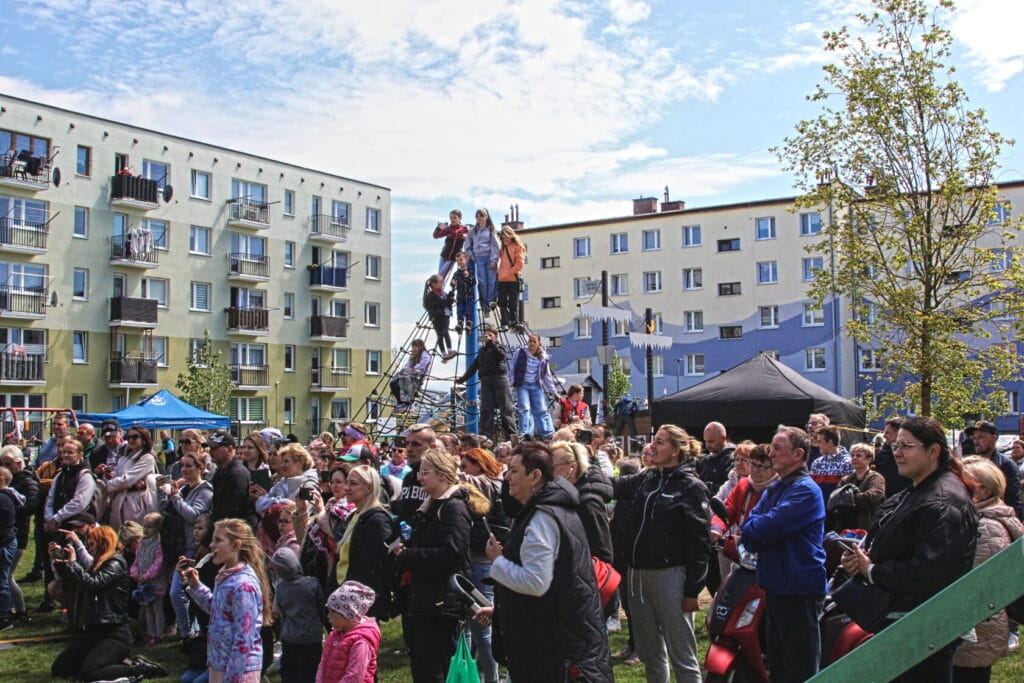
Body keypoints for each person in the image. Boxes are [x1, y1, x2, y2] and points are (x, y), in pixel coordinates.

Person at [840, 416, 978, 682]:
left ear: (933, 451)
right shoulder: (917, 491)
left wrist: (872, 570)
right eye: (896, 446)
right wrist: (860, 561)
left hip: (923, 627)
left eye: (907, 446)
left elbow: (928, 573)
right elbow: (893, 543)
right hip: (904, 622)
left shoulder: (943, 501)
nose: (898, 453)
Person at [480, 442, 613, 681]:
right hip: (558, 641)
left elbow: (536, 583)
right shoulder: (553, 508)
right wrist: (500, 611)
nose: (507, 476)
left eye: (513, 470)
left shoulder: (543, 517)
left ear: (535, 476)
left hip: (551, 649)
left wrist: (498, 562)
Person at [612, 425, 710, 683]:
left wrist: (692, 590)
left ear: (676, 451)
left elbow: (700, 543)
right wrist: (578, 466)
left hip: (669, 576)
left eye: (660, 442)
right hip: (636, 576)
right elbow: (612, 485)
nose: (652, 446)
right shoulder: (647, 478)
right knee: (650, 654)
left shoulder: (690, 486)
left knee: (682, 653)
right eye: (653, 441)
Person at [392, 448, 488, 683]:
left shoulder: (452, 507)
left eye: (425, 472)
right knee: (424, 664)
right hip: (426, 596)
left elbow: (451, 553)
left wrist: (408, 556)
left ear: (443, 475)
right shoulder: (431, 506)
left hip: (441, 601)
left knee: (436, 666)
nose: (419, 477)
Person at [742, 426, 827, 683]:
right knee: (777, 666)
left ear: (798, 454)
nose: (772, 453)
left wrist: (759, 526)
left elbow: (765, 527)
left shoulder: (805, 491)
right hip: (775, 587)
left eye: (778, 448)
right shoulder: (775, 489)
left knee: (799, 668)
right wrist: (758, 527)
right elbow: (750, 530)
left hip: (798, 590)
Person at [51, 525, 166, 681]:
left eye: (92, 544)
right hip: (94, 632)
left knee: (90, 673)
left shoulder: (115, 564)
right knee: (60, 667)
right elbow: (75, 581)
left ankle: (138, 669)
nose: (89, 548)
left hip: (113, 633)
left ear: (103, 543)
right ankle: (116, 662)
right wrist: (61, 561)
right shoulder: (96, 565)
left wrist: (73, 564)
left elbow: (93, 584)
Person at [953, 457, 1023, 682]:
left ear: (983, 491)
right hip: (976, 628)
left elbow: (973, 583)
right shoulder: (982, 518)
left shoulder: (987, 528)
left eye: (962, 485)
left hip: (976, 631)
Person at [181, 518, 273, 683]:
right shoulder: (225, 575)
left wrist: (233, 677)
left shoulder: (243, 585)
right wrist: (195, 586)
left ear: (235, 545)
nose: (211, 545)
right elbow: (217, 609)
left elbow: (244, 637)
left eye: (218, 540)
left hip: (239, 671)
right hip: (220, 665)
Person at [336, 465, 397, 619]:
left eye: (354, 484)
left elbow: (371, 565)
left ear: (369, 488)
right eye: (347, 483)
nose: (347, 488)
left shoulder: (377, 520)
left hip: (361, 602)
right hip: (344, 593)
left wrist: (350, 596)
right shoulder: (354, 516)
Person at [709, 443, 776, 582]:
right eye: (753, 464)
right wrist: (716, 529)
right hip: (742, 551)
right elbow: (728, 509)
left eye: (761, 466)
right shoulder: (743, 485)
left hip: (769, 554)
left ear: (774, 468)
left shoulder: (779, 489)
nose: (756, 470)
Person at [550, 440, 614, 564]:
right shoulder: (561, 498)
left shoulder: (588, 503)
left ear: (572, 468)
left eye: (553, 467)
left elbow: (603, 554)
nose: (548, 472)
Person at [456, 325, 517, 443]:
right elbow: (474, 366)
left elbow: (501, 356)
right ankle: (486, 435)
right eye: (486, 335)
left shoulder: (499, 347)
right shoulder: (482, 351)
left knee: (505, 408)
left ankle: (511, 435)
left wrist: (491, 343)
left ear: (495, 337)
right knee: (486, 408)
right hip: (486, 380)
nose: (487, 337)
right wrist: (462, 379)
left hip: (499, 379)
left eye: (490, 335)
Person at [271, 547, 324, 683]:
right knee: (310, 671)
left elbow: (279, 612)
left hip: (290, 637)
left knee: (289, 670)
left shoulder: (281, 589)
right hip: (312, 636)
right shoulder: (312, 583)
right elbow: (321, 608)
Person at [317, 581, 381, 683]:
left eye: (332, 612)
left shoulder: (360, 642)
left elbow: (354, 676)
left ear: (349, 614)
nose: (328, 616)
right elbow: (323, 664)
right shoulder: (334, 635)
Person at [0, 446, 37, 624]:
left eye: (8, 464)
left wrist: (9, 510)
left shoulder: (28, 481)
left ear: (18, 462)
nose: (5, 467)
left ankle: (17, 612)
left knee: (6, 577)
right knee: (7, 576)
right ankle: (16, 610)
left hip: (17, 534)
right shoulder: (14, 482)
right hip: (10, 532)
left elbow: (32, 505)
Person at [965, 421, 1023, 519]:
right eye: (974, 438)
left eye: (981, 437)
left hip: (997, 519)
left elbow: (1013, 500)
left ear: (994, 438)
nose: (976, 442)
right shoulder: (971, 463)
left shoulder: (1006, 465)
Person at [104, 426, 158, 529]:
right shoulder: (124, 459)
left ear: (144, 439)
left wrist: (111, 484)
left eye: (134, 437)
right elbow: (118, 478)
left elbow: (127, 480)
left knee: (133, 535)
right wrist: (108, 477)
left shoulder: (147, 458)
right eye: (128, 437)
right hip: (119, 499)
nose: (131, 440)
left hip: (136, 501)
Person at [509, 334, 559, 441]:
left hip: (536, 385)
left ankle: (547, 433)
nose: (531, 343)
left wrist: (553, 391)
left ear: (539, 344)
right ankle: (526, 433)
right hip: (523, 385)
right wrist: (512, 381)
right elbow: (513, 368)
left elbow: (546, 375)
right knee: (525, 408)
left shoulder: (543, 357)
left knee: (541, 409)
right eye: (530, 341)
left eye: (534, 341)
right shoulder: (520, 353)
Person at [828, 443, 885, 532]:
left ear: (869, 459)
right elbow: (835, 498)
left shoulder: (877, 478)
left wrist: (847, 500)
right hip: (845, 527)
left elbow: (871, 497)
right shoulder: (845, 479)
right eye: (852, 455)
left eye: (858, 455)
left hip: (866, 526)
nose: (854, 458)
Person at [131, 511, 168, 645]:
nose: (146, 529)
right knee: (147, 607)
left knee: (157, 608)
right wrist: (134, 572)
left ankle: (159, 633)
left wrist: (146, 576)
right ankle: (150, 633)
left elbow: (158, 563)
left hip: (155, 582)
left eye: (150, 527)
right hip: (143, 581)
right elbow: (137, 560)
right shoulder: (142, 543)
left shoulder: (159, 544)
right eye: (144, 526)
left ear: (157, 528)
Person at [206, 431, 255, 526]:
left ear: (229, 449)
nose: (211, 451)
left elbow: (231, 513)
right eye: (210, 448)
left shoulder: (236, 474)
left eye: (215, 448)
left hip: (234, 531)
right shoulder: (221, 471)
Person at [464, 208, 500, 312]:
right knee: (482, 281)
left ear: (486, 217)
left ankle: (491, 302)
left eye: (481, 216)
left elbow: (495, 246)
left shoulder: (490, 230)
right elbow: (467, 245)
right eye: (477, 216)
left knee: (492, 281)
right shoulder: (472, 231)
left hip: (489, 257)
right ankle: (484, 306)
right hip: (479, 258)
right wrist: (471, 255)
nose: (479, 218)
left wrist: (494, 260)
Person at [808, 425, 853, 502]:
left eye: (820, 442)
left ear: (830, 442)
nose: (818, 445)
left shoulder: (848, 463)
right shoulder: (817, 463)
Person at [0, 466, 20, 631]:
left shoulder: (3, 498)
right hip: (7, 541)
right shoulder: (9, 496)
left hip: (3, 544)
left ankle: (4, 618)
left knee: (2, 581)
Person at [496, 223, 526, 331]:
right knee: (502, 302)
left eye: (505, 237)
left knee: (513, 302)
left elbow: (520, 264)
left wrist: (508, 272)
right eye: (502, 238)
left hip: (512, 279)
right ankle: (505, 322)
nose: (504, 240)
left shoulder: (518, 247)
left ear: (510, 235)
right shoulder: (503, 248)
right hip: (502, 279)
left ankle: (513, 321)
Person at [423, 274, 457, 361]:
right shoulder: (432, 295)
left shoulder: (443, 293)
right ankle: (444, 353)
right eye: (439, 282)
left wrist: (453, 290)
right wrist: (450, 300)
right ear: (433, 284)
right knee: (440, 334)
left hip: (445, 315)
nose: (442, 284)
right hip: (437, 317)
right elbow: (443, 303)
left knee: (445, 331)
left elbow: (447, 301)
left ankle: (449, 350)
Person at [390, 339, 431, 412]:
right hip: (410, 375)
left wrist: (414, 369)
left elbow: (425, 362)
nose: (414, 349)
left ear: (420, 347)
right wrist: (407, 369)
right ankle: (401, 402)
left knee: (403, 384)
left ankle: (406, 403)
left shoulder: (424, 354)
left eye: (415, 347)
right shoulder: (413, 355)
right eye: (413, 347)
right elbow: (408, 366)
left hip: (418, 376)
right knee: (393, 383)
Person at [874, 418, 912, 496]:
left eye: (887, 433)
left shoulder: (912, 455)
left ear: (898, 433)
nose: (884, 436)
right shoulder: (881, 455)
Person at [433, 209, 468, 279]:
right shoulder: (448, 228)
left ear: (460, 218)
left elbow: (473, 235)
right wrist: (438, 228)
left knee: (441, 275)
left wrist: (466, 236)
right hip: (444, 255)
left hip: (452, 258)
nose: (452, 219)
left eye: (454, 217)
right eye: (451, 218)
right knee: (440, 274)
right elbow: (436, 236)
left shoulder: (464, 229)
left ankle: (438, 289)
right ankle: (437, 289)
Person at [450, 251, 476, 334]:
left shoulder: (470, 271)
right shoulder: (457, 273)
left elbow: (473, 282)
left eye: (461, 260)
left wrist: (468, 276)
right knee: (460, 310)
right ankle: (460, 323)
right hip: (460, 296)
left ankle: (469, 324)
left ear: (466, 259)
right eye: (457, 261)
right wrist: (453, 283)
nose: (459, 262)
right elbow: (453, 284)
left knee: (469, 310)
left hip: (469, 296)